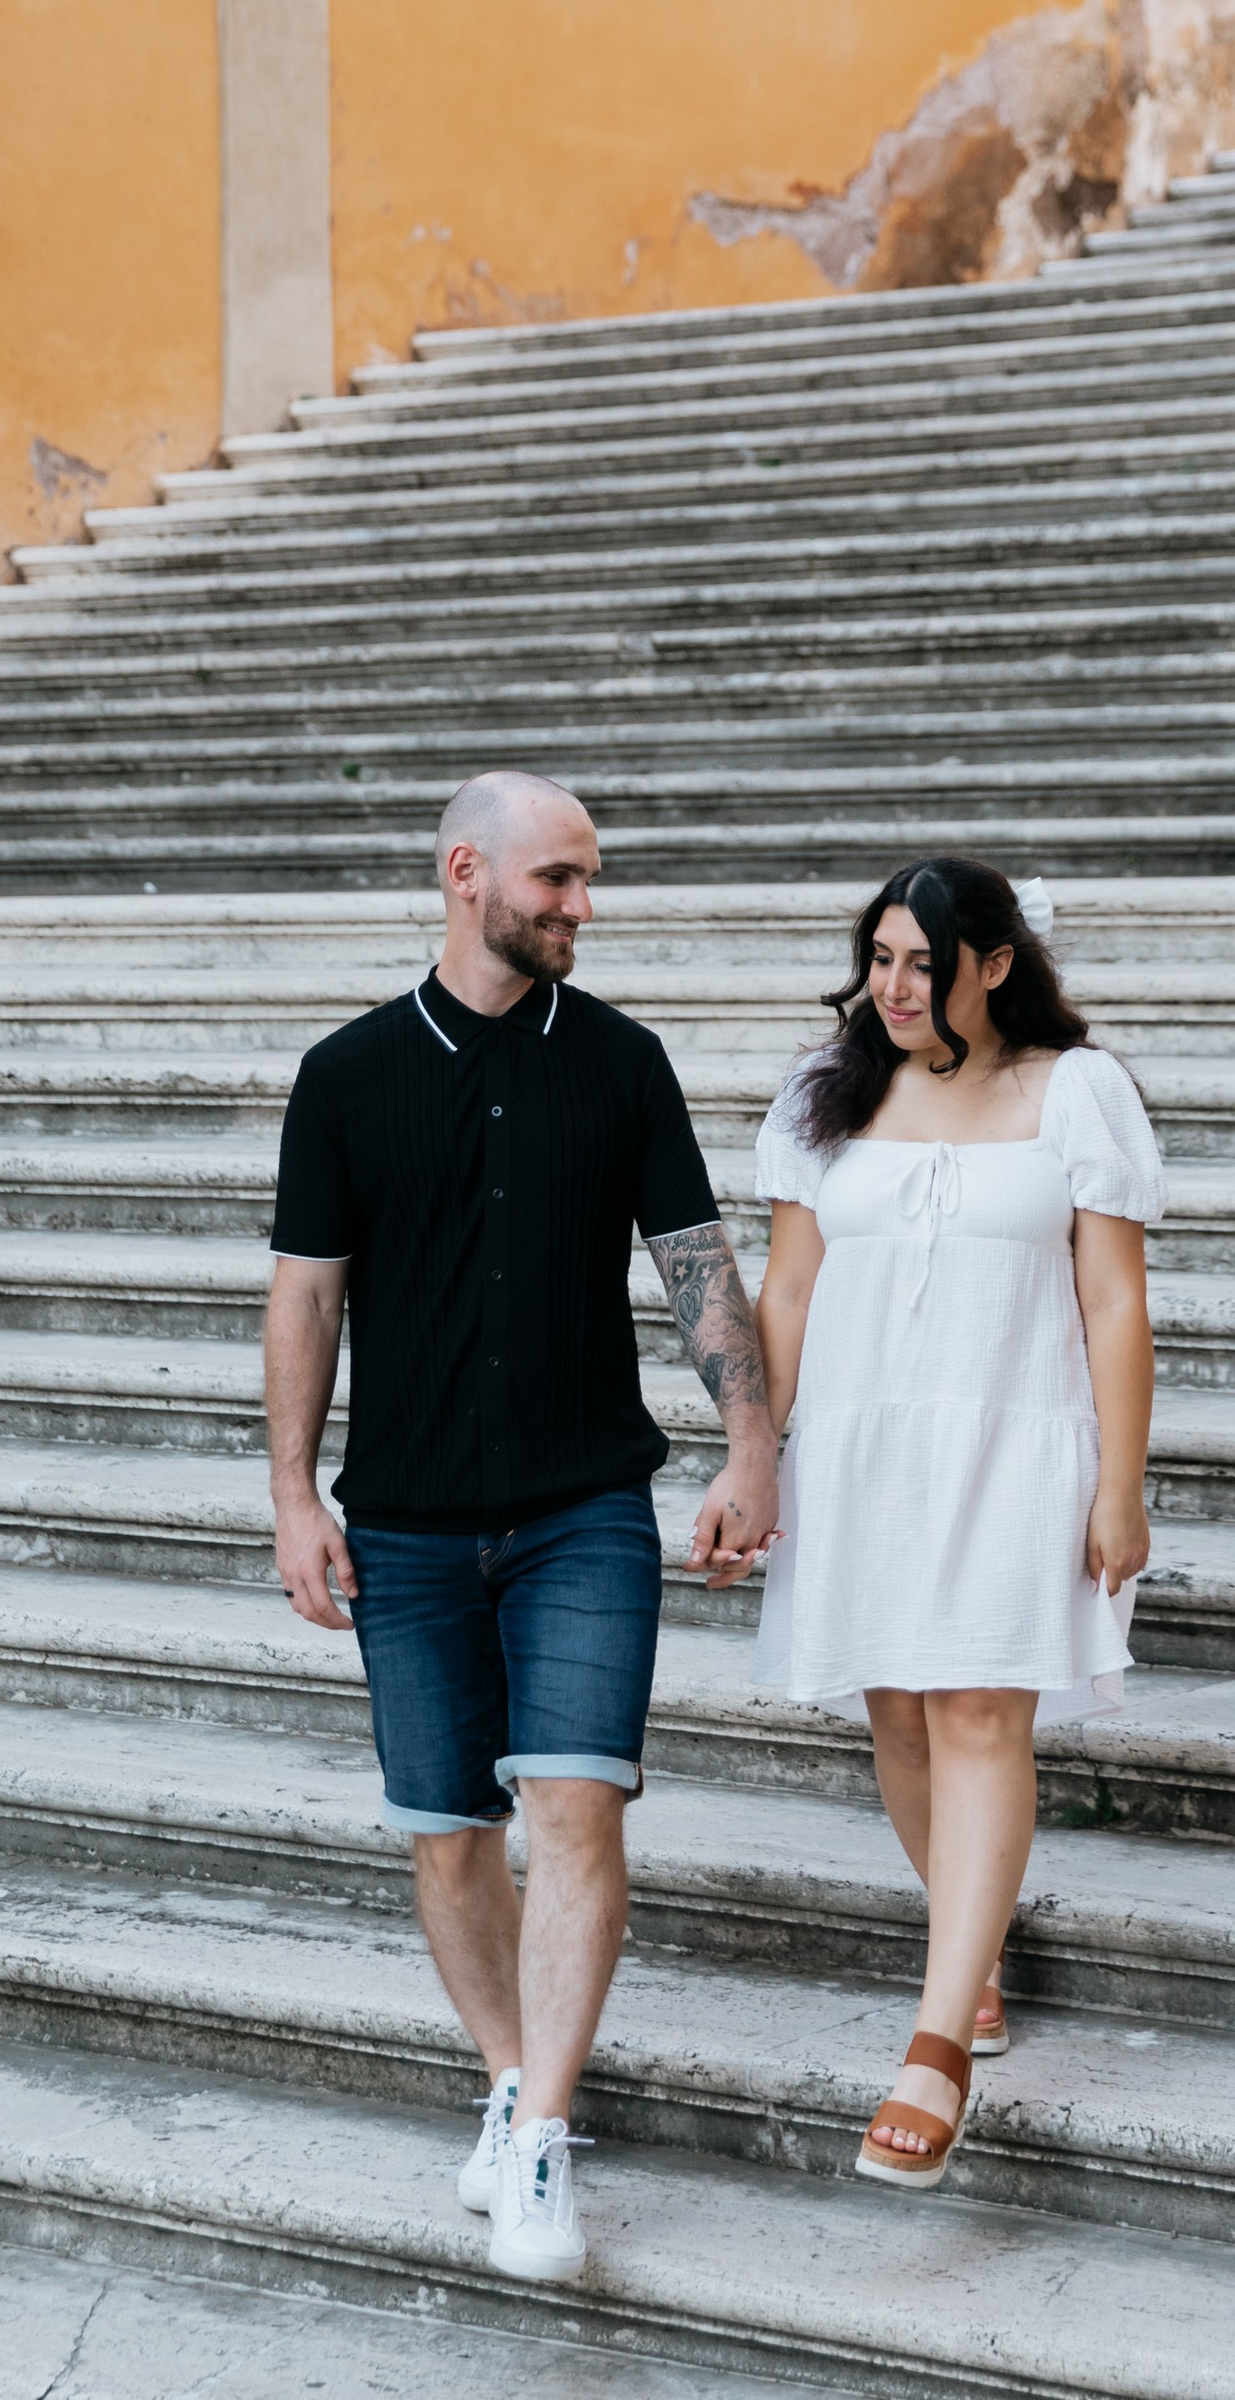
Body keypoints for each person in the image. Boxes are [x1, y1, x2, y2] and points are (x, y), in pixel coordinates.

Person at [265, 769, 779, 2285]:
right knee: (447, 1836)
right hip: (408, 1525)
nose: (580, 906)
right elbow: (306, 1293)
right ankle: (506, 2071)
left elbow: (695, 1261)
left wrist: (752, 1440)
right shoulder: (347, 1074)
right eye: (555, 879)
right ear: (465, 873)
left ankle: (545, 2129)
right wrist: (294, 1493)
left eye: (587, 879)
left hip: (581, 1516)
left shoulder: (620, 1063)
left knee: (576, 1811)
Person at [752, 855, 1161, 2191]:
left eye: (923, 963)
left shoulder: (1074, 1093)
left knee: (981, 1712)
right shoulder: (826, 1096)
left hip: (1011, 1441)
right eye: (879, 960)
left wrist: (1121, 1482)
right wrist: (753, 1457)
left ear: (994, 962)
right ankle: (967, 1949)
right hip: (861, 1451)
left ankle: (934, 2045)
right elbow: (790, 1295)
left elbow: (1110, 1301)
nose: (896, 988)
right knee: (900, 1717)